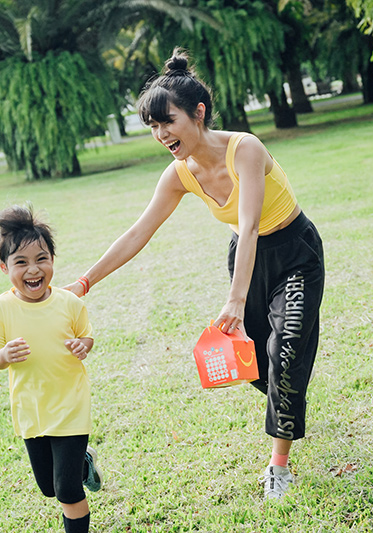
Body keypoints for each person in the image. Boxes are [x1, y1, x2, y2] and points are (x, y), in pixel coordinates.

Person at [66, 49, 325, 500]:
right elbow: (137, 233)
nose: (161, 133)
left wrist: (236, 300)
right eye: (153, 126)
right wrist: (85, 281)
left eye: (167, 121)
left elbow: (248, 224)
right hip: (245, 259)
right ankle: (289, 394)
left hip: (294, 251)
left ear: (198, 113)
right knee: (257, 367)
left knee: (285, 354)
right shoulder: (178, 174)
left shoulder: (244, 148)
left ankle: (278, 466)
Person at [0, 205, 103, 533]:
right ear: (3, 266)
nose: (33, 269)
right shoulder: (0, 309)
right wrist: (3, 354)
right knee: (49, 487)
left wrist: (82, 346)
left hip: (71, 407)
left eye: (41, 259)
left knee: (67, 490)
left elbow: (86, 336)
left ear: (52, 260)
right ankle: (83, 462)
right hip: (32, 410)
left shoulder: (69, 303)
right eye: (21, 262)